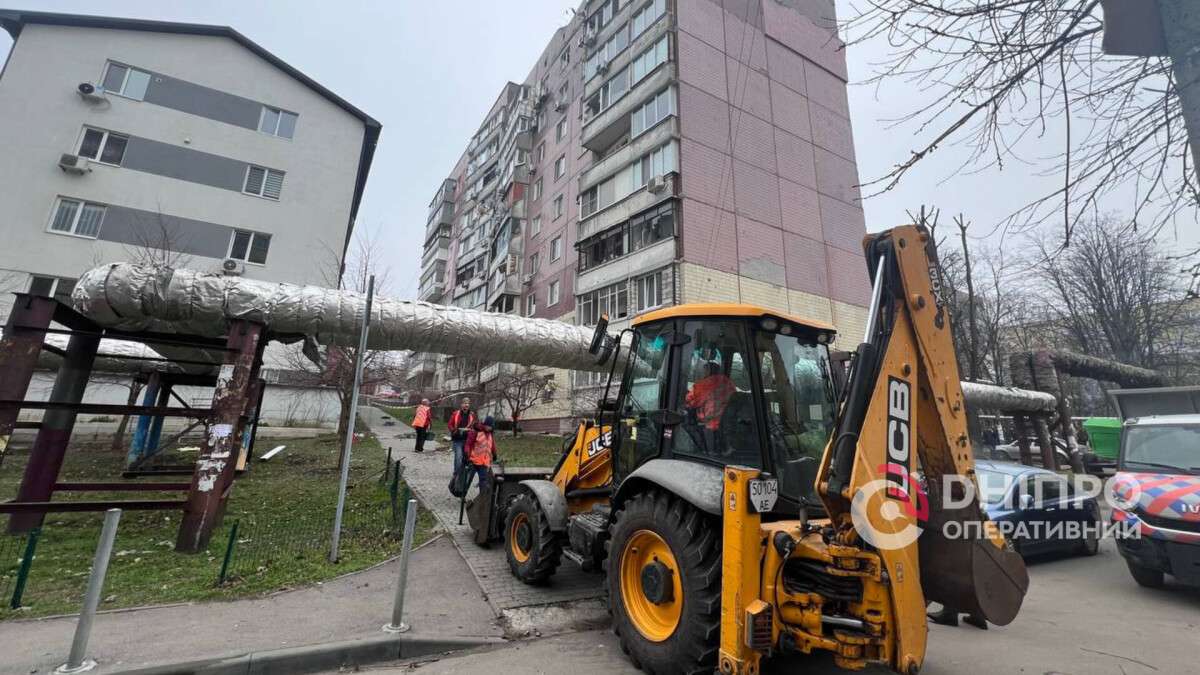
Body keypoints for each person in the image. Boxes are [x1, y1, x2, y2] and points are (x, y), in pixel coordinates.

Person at [684, 361, 736, 455]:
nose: (702, 373)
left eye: (704, 370)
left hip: (710, 423)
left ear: (708, 371)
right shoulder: (728, 382)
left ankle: (707, 452)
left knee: (686, 426)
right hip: (727, 421)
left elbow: (691, 401)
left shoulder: (703, 385)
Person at [464, 415, 497, 492]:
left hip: (484, 463)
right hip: (473, 461)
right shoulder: (476, 432)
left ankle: (483, 497)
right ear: (485, 425)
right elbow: (468, 444)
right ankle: (462, 496)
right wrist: (466, 454)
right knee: (467, 480)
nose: (490, 428)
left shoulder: (490, 434)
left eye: (491, 427)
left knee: (483, 481)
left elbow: (492, 445)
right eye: (489, 426)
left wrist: (495, 454)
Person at [447, 397, 476, 476]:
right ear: (461, 405)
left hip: (467, 440)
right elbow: (450, 424)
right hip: (457, 439)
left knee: (466, 458)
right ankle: (457, 473)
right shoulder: (456, 414)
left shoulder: (472, 415)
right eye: (464, 403)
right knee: (458, 457)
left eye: (468, 403)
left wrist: (471, 431)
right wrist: (454, 430)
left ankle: (463, 473)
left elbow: (474, 426)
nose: (466, 405)